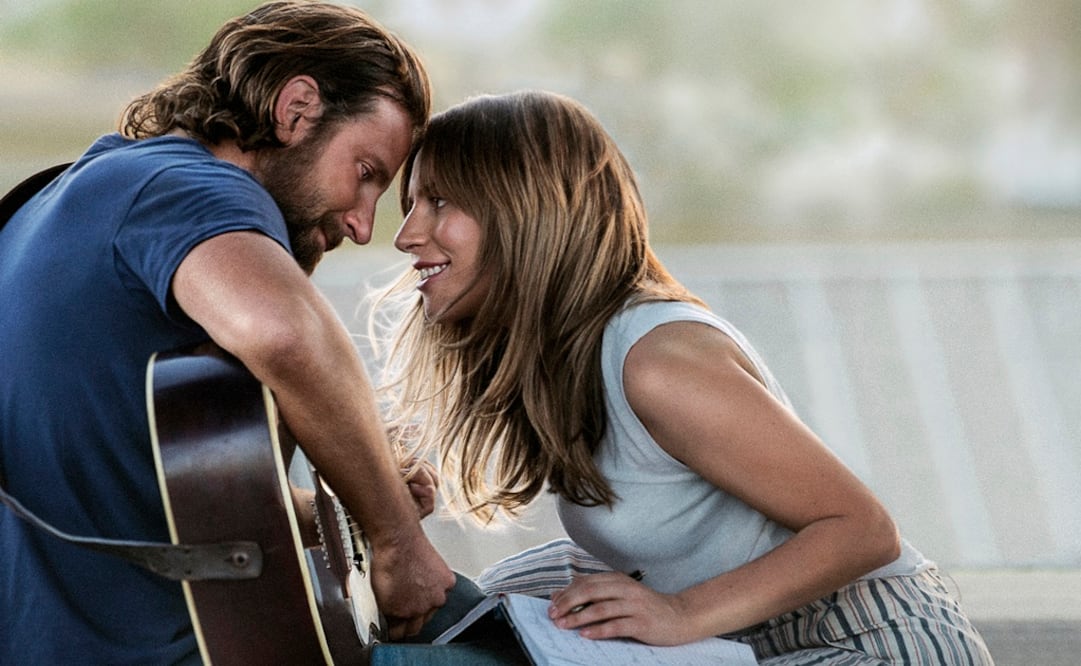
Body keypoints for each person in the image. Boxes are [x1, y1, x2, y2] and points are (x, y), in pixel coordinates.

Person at [374, 90, 995, 665]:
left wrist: (682, 613)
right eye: (410, 206)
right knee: (481, 607)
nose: (406, 236)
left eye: (439, 202)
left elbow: (864, 530)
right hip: (733, 631)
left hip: (864, 638)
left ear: (527, 213)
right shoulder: (562, 356)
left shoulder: (659, 362)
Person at [0, 3, 457, 663]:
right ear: (296, 108)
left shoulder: (74, 194)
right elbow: (284, 333)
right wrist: (398, 545)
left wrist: (354, 503)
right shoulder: (193, 189)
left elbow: (157, 506)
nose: (362, 224)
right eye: (365, 174)